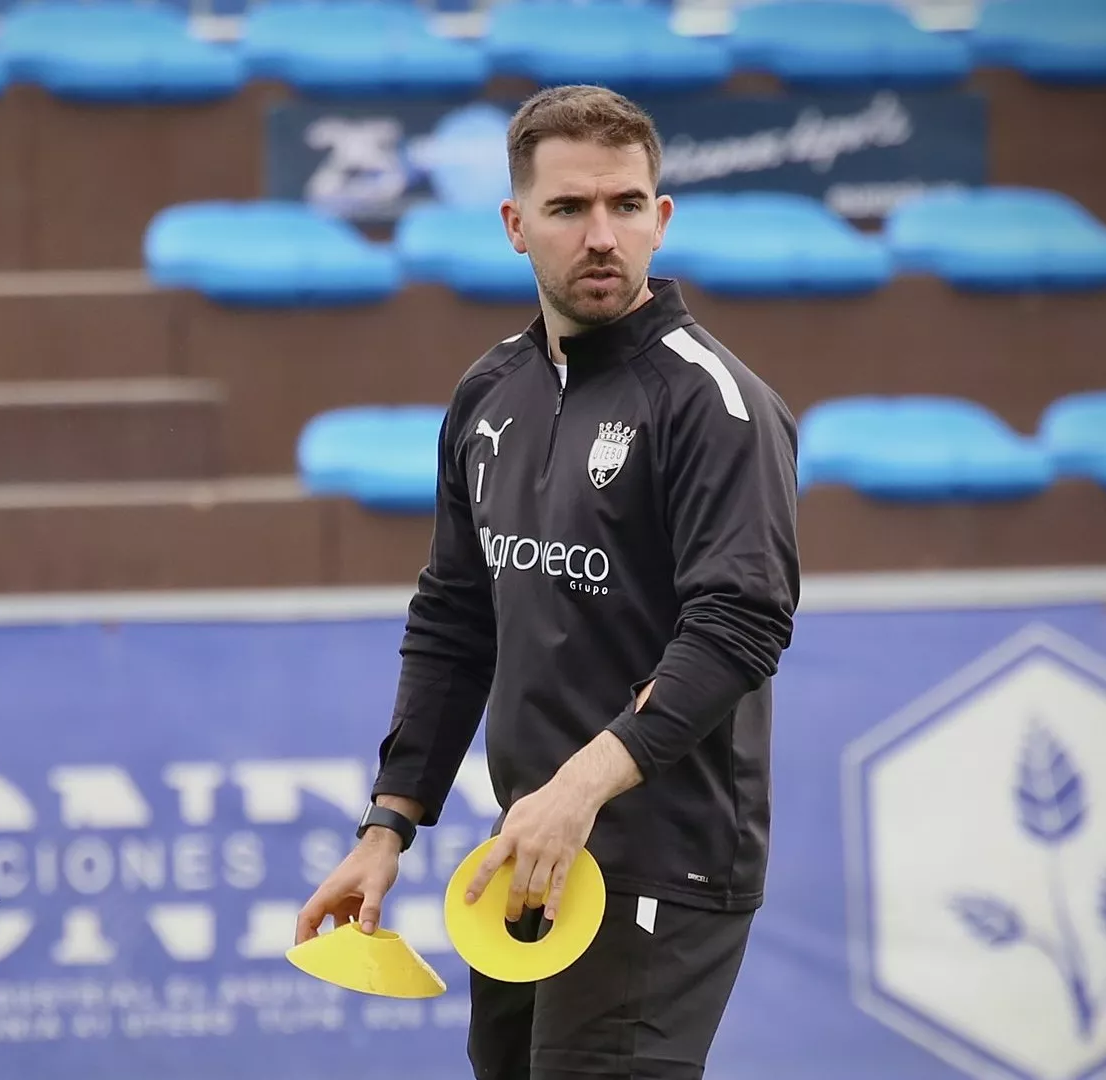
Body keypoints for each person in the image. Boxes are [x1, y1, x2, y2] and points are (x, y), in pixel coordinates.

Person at [294, 84, 802, 1078]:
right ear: (515, 226)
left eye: (624, 205)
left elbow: (739, 626)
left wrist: (578, 787)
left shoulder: (716, 405)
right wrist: (389, 824)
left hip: (664, 857)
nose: (600, 234)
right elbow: (454, 619)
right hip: (530, 860)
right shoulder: (490, 393)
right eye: (569, 209)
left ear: (661, 219)